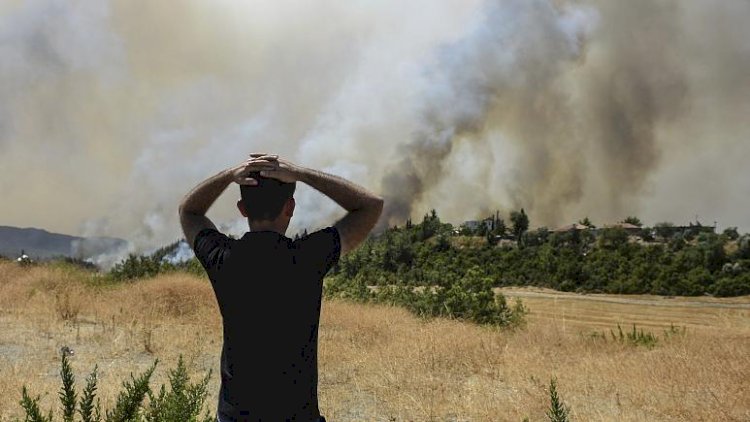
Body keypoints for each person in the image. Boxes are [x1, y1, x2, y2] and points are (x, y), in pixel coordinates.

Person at [179, 153, 384, 421]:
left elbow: (189, 211)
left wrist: (230, 175)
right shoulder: (308, 257)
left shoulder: (224, 258)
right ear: (290, 208)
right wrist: (301, 173)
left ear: (242, 209)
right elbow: (370, 205)